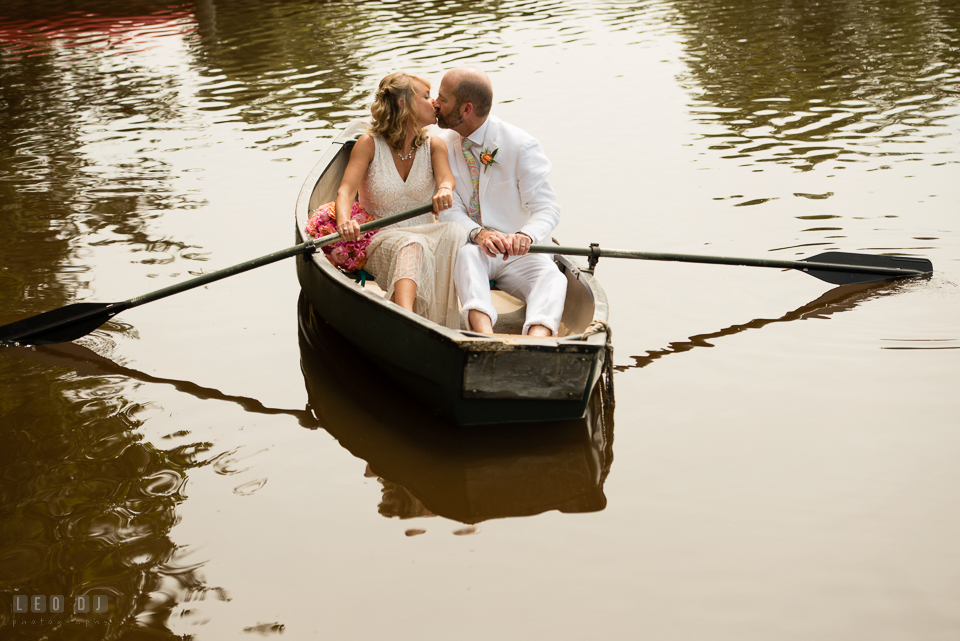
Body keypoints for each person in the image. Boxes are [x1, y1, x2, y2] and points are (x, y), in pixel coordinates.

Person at [433, 67, 567, 337]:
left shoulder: (520, 145)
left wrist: (525, 235)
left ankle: (536, 343)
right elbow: (449, 208)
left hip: (520, 253)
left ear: (466, 109)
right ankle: (485, 338)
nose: (435, 103)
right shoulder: (441, 145)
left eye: (442, 98)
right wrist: (479, 234)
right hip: (477, 246)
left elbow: (547, 208)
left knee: (553, 276)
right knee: (467, 255)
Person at [335, 72, 467, 329]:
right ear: (402, 104)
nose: (435, 103)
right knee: (413, 243)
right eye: (427, 96)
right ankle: (409, 320)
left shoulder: (434, 145)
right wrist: (344, 222)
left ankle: (404, 309)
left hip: (425, 232)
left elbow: (446, 179)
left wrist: (444, 190)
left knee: (455, 231)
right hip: (381, 238)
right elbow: (345, 191)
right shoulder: (369, 144)